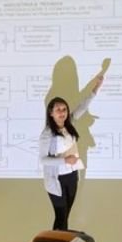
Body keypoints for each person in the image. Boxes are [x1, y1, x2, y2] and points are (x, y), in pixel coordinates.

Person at [38, 62, 107, 231]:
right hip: (57, 179)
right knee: (60, 215)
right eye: (58, 110)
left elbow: (83, 105)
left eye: (64, 109)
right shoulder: (47, 134)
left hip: (72, 176)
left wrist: (95, 88)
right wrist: (64, 160)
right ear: (51, 113)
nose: (62, 112)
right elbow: (43, 159)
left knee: (66, 214)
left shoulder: (70, 124)